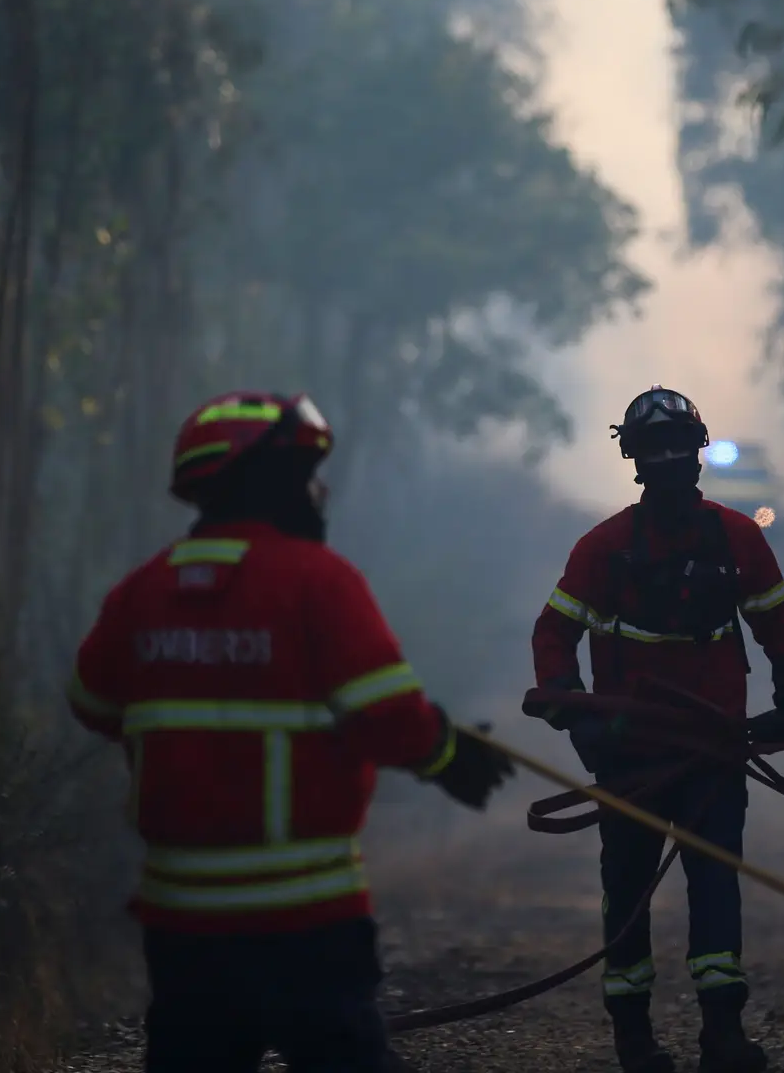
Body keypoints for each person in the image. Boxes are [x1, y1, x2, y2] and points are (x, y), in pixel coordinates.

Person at [66, 391, 514, 1073]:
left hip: (182, 926)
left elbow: (92, 704)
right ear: (269, 481)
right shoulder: (318, 583)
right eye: (305, 475)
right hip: (307, 919)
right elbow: (388, 719)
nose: (317, 491)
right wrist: (454, 755)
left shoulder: (142, 593)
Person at [529, 386, 784, 1073]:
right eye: (656, 451)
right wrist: (577, 718)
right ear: (637, 458)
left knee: (702, 880)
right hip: (631, 754)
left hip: (706, 749)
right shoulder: (603, 549)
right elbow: (553, 636)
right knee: (642, 887)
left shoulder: (735, 539)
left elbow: (777, 621)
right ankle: (639, 1039)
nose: (666, 462)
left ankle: (719, 1034)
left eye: (673, 450)